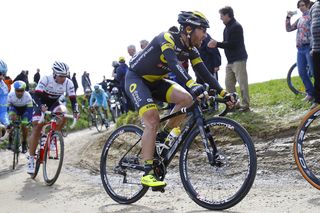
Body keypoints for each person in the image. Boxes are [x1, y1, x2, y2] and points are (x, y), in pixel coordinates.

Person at [125, 11, 235, 187]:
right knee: (152, 119)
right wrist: (192, 84)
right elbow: (174, 64)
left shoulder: (191, 49)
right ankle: (147, 172)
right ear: (189, 29)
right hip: (137, 79)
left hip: (157, 82)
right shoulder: (166, 38)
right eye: (203, 30)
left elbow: (204, 72)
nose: (205, 35)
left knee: (187, 99)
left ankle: (163, 136)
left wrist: (223, 93)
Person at [27, 61, 79, 174]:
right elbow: (36, 96)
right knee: (37, 127)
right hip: (40, 102)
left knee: (63, 112)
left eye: (65, 76)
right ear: (54, 74)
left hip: (54, 102)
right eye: (61, 76)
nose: (63, 79)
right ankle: (31, 158)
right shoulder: (46, 79)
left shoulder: (68, 83)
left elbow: (73, 99)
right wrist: (41, 106)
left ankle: (53, 137)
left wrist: (76, 111)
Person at [208, 6, 250, 112]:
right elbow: (227, 44)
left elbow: (232, 44)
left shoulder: (236, 26)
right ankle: (234, 105)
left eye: (221, 16)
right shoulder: (226, 28)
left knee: (242, 84)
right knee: (228, 84)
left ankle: (245, 106)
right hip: (230, 61)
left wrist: (216, 44)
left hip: (239, 59)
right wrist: (217, 44)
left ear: (227, 15)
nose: (220, 18)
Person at [286, 0, 315, 102]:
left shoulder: (312, 16)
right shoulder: (300, 19)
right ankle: (310, 93)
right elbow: (288, 29)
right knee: (302, 71)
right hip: (300, 49)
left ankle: (317, 95)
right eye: (299, 6)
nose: (301, 7)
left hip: (309, 47)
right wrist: (288, 17)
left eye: (302, 5)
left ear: (307, 5)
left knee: (314, 72)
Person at [6, 81, 33, 153]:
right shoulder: (10, 95)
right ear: (14, 90)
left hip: (25, 110)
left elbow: (30, 110)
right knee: (12, 121)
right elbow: (8, 108)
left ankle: (24, 143)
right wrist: (10, 118)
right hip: (14, 109)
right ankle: (10, 141)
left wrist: (29, 120)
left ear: (24, 90)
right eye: (18, 91)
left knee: (24, 126)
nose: (20, 93)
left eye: (22, 91)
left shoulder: (28, 96)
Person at [310, 0, 320, 108]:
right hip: (316, 49)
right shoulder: (314, 7)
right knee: (317, 77)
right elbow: (311, 26)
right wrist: (312, 47)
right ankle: (318, 101)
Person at [0, 60, 9, 134]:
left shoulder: (4, 88)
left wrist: (6, 123)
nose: (1, 77)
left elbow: (3, 110)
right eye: (0, 74)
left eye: (4, 74)